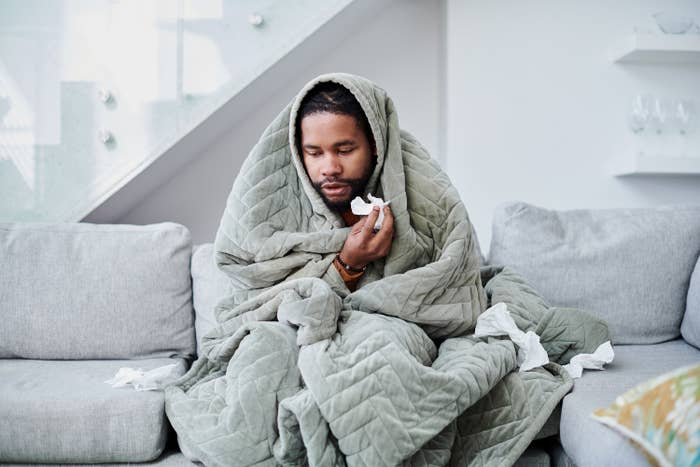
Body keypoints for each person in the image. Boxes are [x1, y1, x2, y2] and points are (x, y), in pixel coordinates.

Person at [295, 82, 394, 291]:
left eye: (345, 150)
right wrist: (349, 263)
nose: (330, 169)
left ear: (375, 144)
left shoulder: (422, 198)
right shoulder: (279, 220)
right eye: (314, 153)